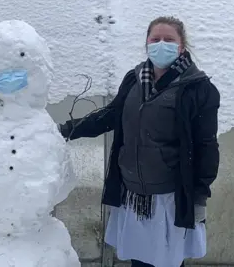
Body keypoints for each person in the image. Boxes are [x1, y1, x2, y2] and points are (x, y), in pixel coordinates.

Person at [59, 16, 220, 267]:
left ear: (182, 46)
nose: (161, 44)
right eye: (155, 39)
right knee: (139, 260)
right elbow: (110, 116)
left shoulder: (198, 89)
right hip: (132, 194)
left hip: (168, 198)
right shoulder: (134, 79)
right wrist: (66, 130)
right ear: (146, 43)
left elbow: (206, 146)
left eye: (169, 39)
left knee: (167, 260)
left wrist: (199, 196)